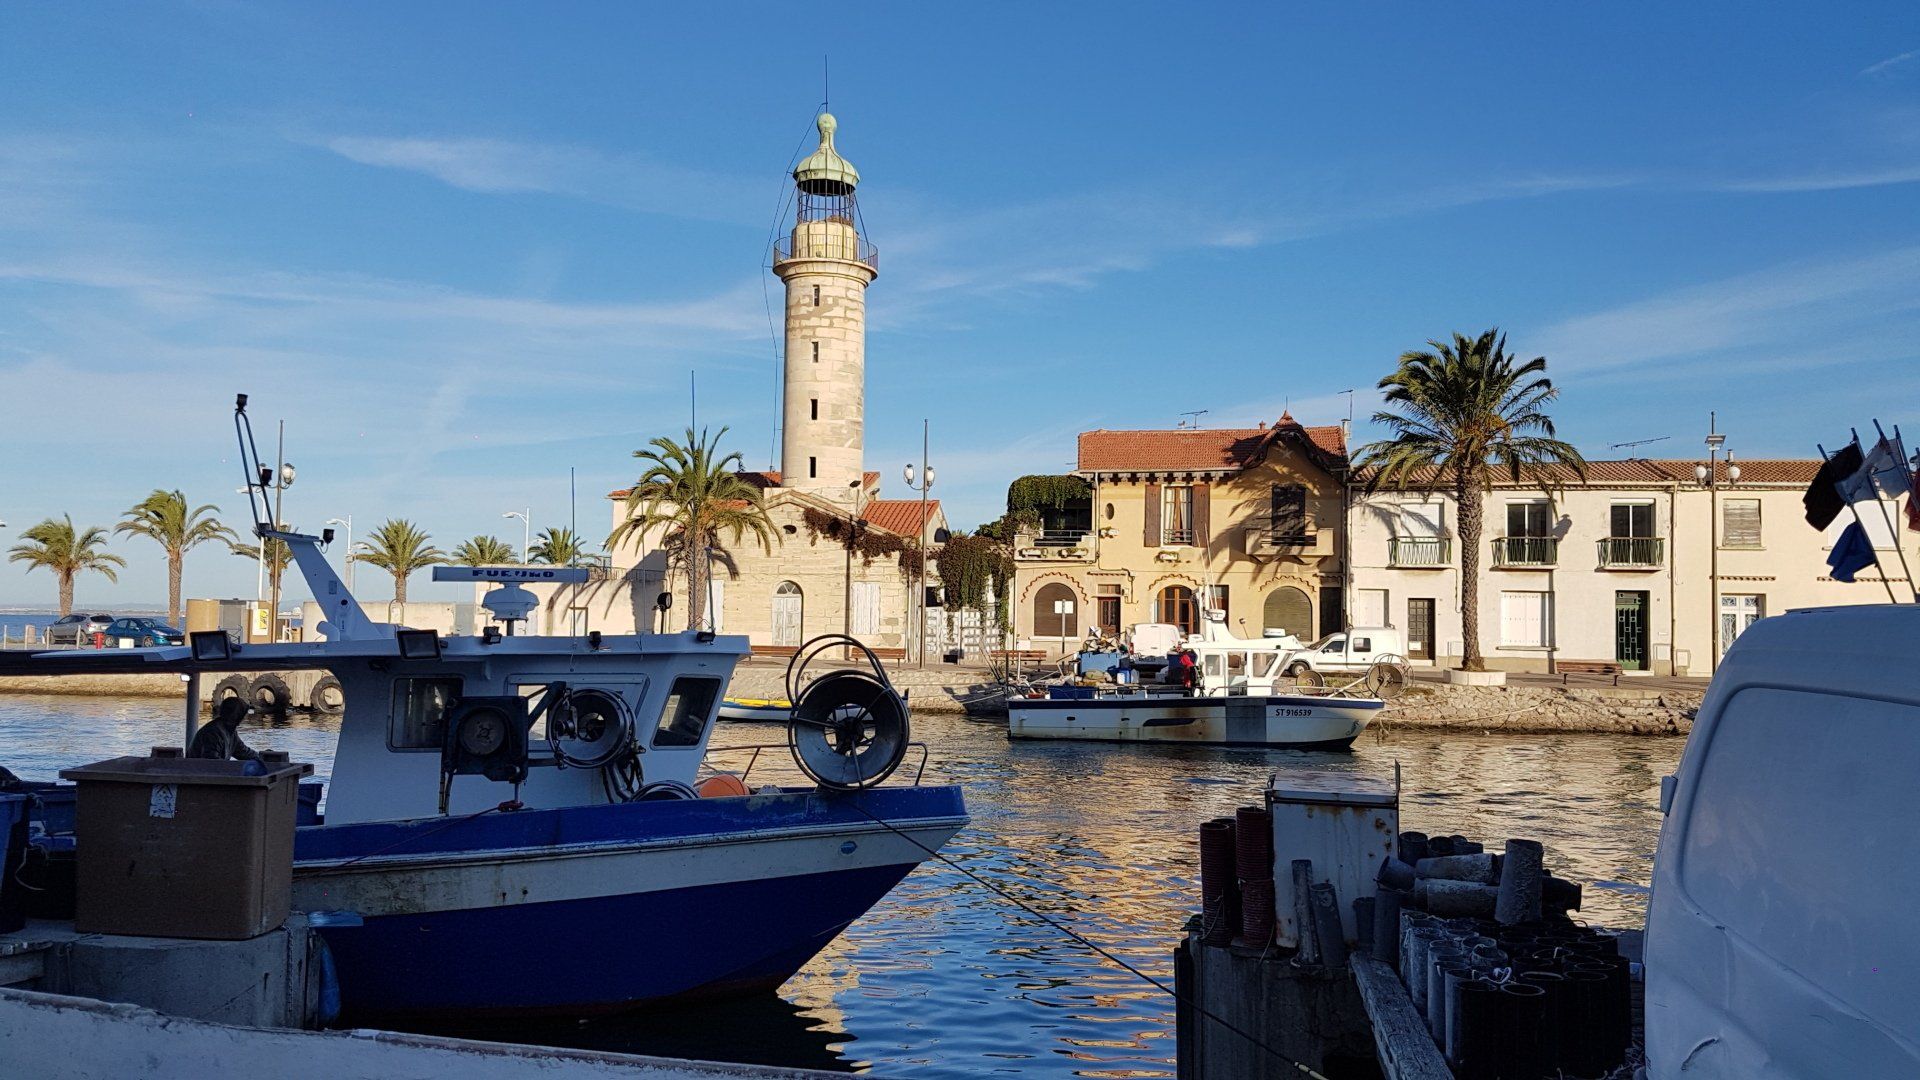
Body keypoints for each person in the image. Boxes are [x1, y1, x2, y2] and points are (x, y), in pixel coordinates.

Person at [189, 696, 260, 761]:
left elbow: (243, 752)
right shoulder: (213, 732)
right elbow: (211, 762)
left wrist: (263, 756)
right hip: (198, 773)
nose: (243, 718)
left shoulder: (230, 732)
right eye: (242, 715)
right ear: (236, 716)